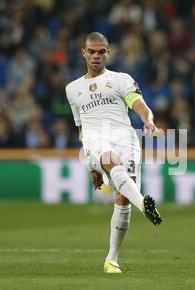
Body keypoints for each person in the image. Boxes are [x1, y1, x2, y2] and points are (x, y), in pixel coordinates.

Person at [65, 32, 162, 274]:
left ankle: (112, 259)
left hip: (124, 137)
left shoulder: (121, 80)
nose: (96, 56)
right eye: (92, 51)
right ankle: (145, 205)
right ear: (83, 53)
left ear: (108, 53)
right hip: (95, 139)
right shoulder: (72, 89)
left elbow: (139, 104)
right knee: (110, 159)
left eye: (101, 51)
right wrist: (90, 165)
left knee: (122, 197)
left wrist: (148, 121)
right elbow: (81, 127)